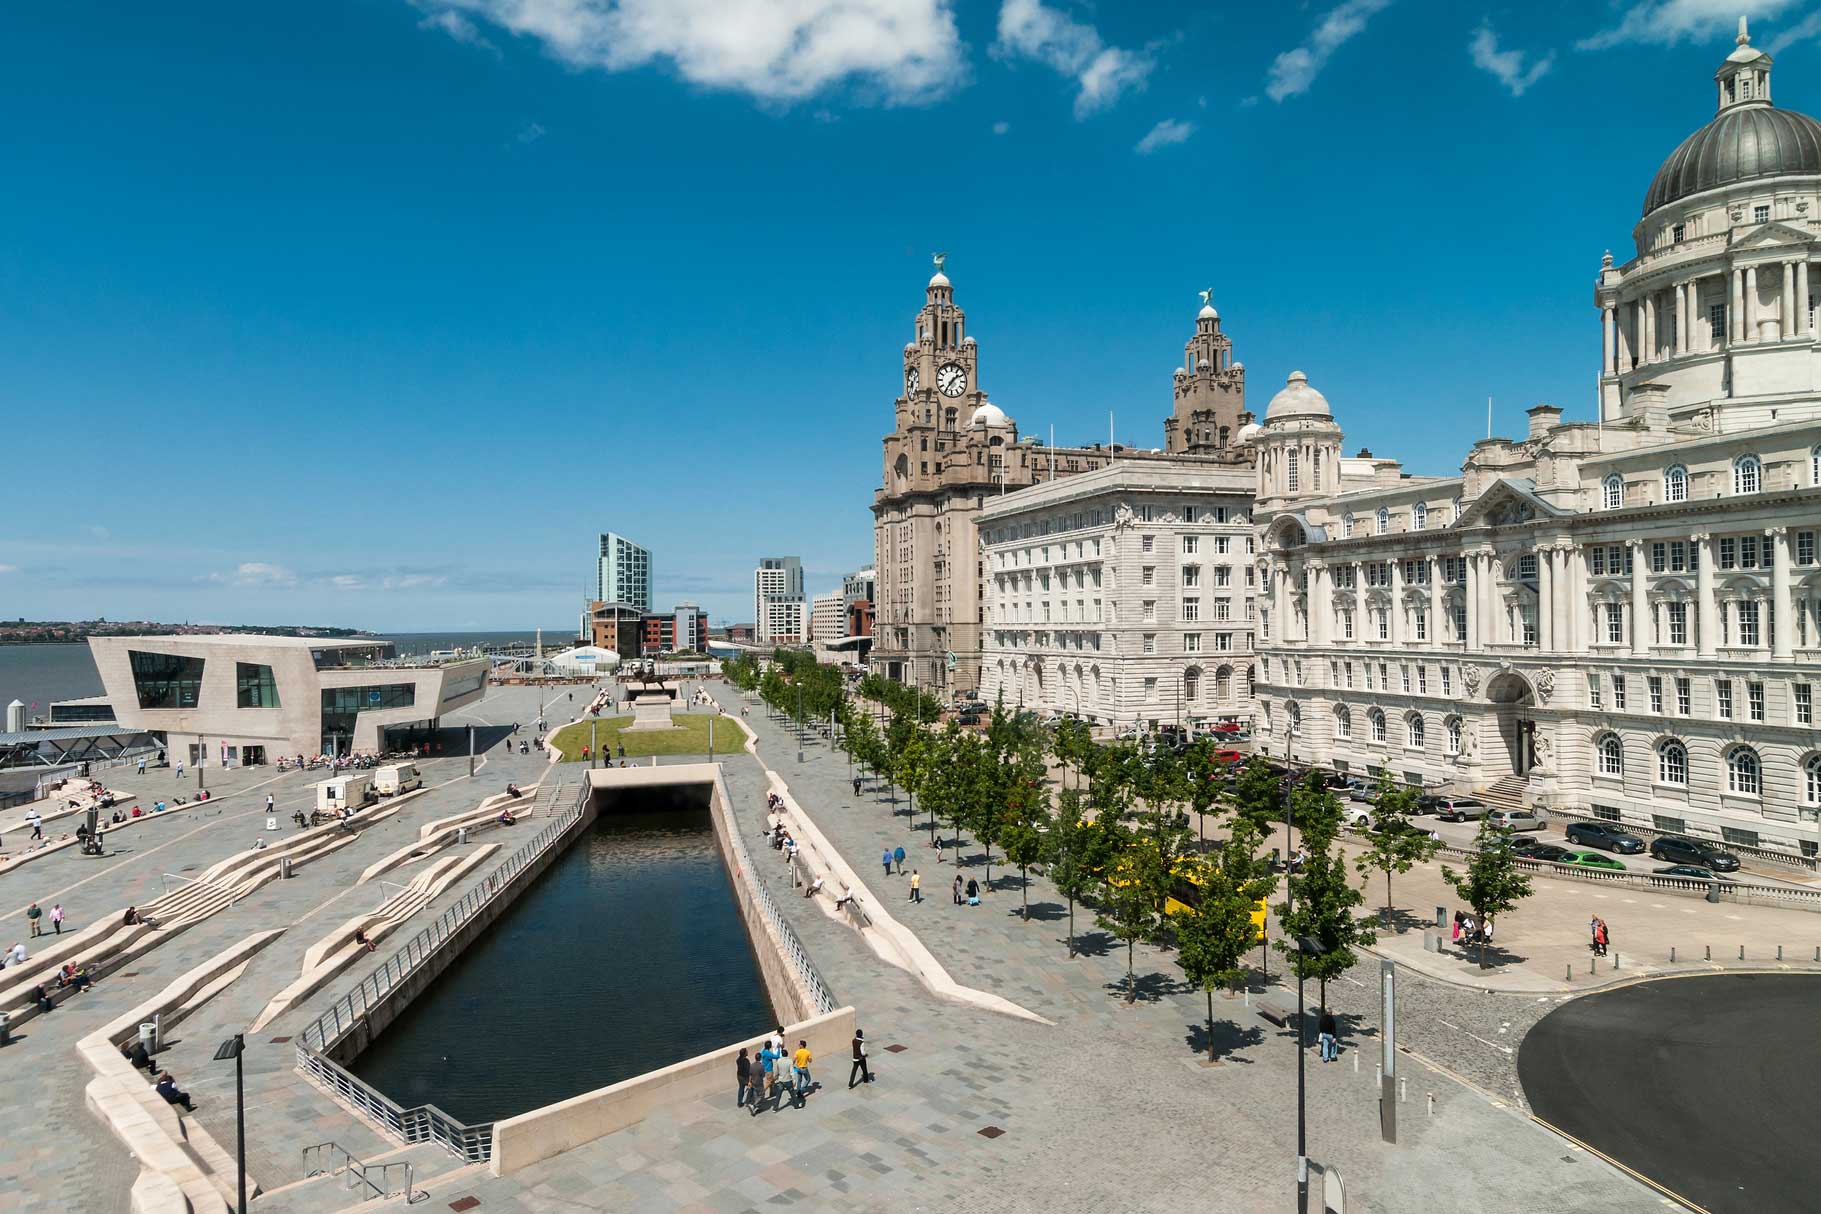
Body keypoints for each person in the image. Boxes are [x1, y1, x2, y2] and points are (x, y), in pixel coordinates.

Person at [754, 1041, 779, 1115]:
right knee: (768, 1083)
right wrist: (778, 1049)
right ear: (770, 1046)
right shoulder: (768, 1053)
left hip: (765, 1069)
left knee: (772, 1082)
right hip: (769, 1071)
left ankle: (772, 1093)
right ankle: (760, 1094)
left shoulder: (763, 1051)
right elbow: (777, 1056)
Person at [792, 1040, 813, 1107]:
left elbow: (794, 1060)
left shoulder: (797, 1052)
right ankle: (801, 1090)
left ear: (802, 1045)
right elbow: (810, 1061)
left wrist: (792, 1066)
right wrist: (808, 1059)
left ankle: (798, 1092)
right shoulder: (807, 1052)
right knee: (808, 1079)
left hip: (798, 1068)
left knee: (799, 1081)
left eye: (799, 1044)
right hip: (804, 1068)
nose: (798, 1045)